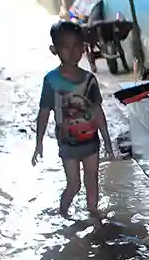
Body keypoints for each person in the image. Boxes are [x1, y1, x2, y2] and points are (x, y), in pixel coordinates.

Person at [32, 22, 113, 217]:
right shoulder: (51, 81)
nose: (72, 51)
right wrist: (39, 143)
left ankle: (93, 213)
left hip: (91, 141)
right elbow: (44, 113)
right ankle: (63, 213)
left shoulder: (89, 80)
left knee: (92, 180)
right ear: (54, 50)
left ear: (84, 48)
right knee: (74, 184)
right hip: (67, 143)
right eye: (65, 47)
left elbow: (97, 112)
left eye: (77, 46)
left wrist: (108, 142)